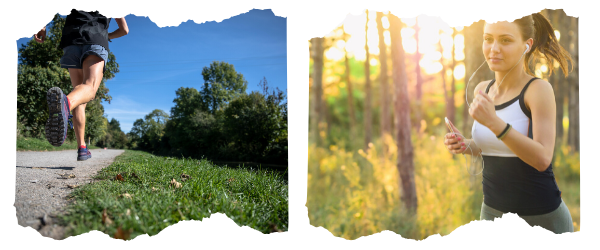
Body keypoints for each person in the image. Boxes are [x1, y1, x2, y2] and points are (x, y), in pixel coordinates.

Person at [443, 13, 574, 233]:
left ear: (527, 45)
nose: (494, 48)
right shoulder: (482, 90)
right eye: (488, 39)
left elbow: (542, 158)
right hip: (493, 215)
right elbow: (495, 146)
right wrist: (465, 145)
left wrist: (495, 123)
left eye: (505, 40)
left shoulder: (537, 90)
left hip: (541, 220)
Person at [35, 9, 128, 161]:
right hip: (96, 38)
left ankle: (82, 147)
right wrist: (107, 35)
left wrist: (42, 26)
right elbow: (124, 29)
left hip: (71, 39)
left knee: (79, 95)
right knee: (89, 89)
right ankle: (65, 104)